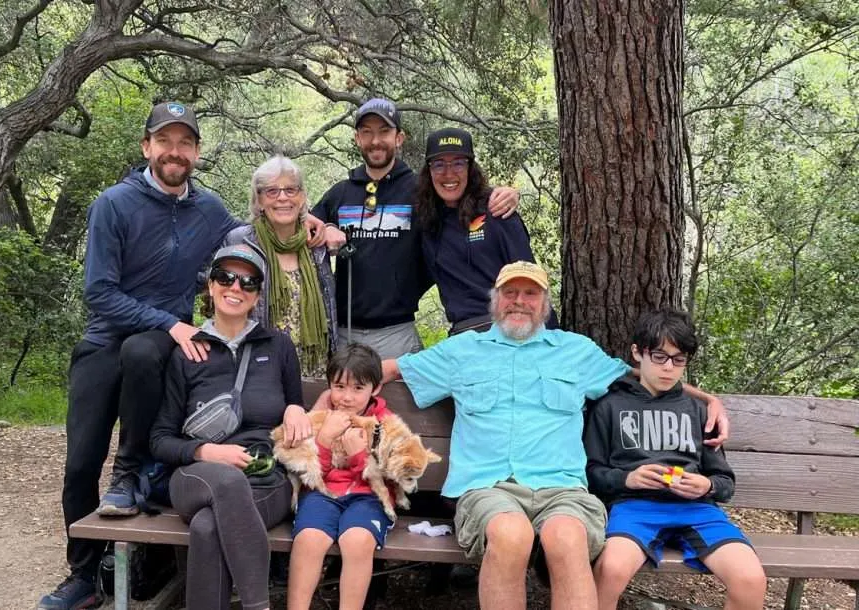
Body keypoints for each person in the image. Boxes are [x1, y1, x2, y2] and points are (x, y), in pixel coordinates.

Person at [379, 261, 729, 610]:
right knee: (510, 533)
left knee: (566, 537)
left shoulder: (576, 351)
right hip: (486, 486)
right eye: (510, 293)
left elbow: (644, 375)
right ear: (495, 300)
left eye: (530, 294)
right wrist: (340, 394)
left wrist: (709, 399)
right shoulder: (461, 350)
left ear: (545, 304)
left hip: (562, 487)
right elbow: (389, 370)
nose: (519, 301)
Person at [39, 102, 244, 610]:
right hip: (105, 342)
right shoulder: (114, 204)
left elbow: (253, 236)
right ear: (147, 147)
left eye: (185, 143)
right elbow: (100, 292)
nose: (175, 152)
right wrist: (171, 322)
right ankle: (83, 575)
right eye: (165, 141)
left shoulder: (211, 211)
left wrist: (310, 220)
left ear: (196, 152)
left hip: (155, 352)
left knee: (146, 369)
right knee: (80, 463)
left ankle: (129, 479)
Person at [149, 244, 313, 610]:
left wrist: (296, 409)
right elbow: (160, 440)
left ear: (257, 296)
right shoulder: (188, 352)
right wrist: (206, 451)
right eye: (225, 277)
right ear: (211, 286)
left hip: (265, 480)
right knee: (226, 480)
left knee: (207, 527)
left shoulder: (278, 346)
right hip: (196, 476)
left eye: (248, 282)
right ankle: (259, 606)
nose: (235, 287)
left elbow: (295, 404)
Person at [584, 310, 766, 610]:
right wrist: (627, 478)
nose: (669, 368)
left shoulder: (698, 410)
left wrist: (705, 485)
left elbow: (725, 483)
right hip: (633, 508)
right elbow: (591, 471)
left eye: (678, 359)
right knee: (609, 570)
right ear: (637, 353)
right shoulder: (609, 405)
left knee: (750, 579)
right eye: (659, 356)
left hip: (697, 510)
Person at [312, 98, 520, 358]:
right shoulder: (339, 194)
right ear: (357, 138)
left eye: (384, 132)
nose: (376, 141)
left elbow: (460, 193)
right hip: (343, 333)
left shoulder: (421, 192)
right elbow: (302, 225)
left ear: (399, 138)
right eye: (367, 133)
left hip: (397, 333)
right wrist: (327, 225)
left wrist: (506, 194)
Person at [415, 127, 558, 335]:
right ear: (428, 171)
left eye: (458, 163)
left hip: (509, 330)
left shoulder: (496, 210)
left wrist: (554, 336)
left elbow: (531, 276)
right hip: (463, 336)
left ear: (470, 168)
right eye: (439, 165)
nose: (448, 173)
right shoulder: (426, 220)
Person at [287, 343, 396, 610]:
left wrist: (359, 455)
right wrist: (323, 440)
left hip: (368, 499)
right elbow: (307, 475)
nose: (347, 397)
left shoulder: (385, 422)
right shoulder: (318, 418)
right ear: (329, 386)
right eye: (339, 387)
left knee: (357, 540)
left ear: (375, 388)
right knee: (309, 539)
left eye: (358, 388)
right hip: (322, 495)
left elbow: (390, 479)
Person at [224, 155, 337, 377]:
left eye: (291, 190)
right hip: (260, 371)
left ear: (302, 196)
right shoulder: (240, 242)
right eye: (272, 191)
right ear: (259, 201)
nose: (282, 198)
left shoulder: (316, 245)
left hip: (316, 370)